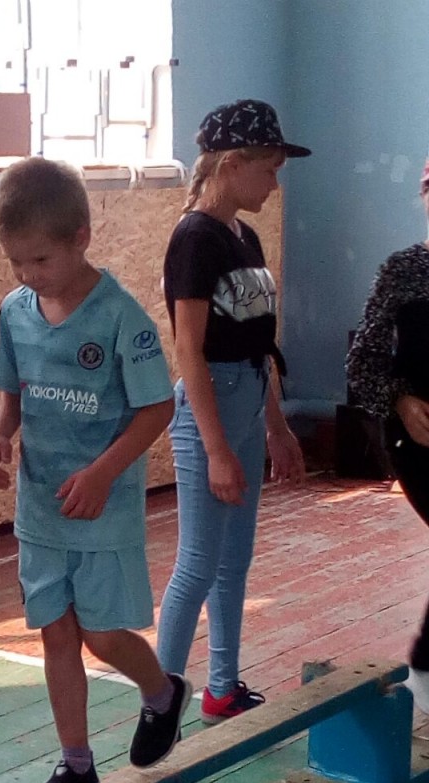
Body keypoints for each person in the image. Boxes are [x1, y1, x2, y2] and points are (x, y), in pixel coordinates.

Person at [0, 156, 189, 783]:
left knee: (102, 635)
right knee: (56, 634)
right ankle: (76, 765)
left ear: (80, 237)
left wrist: (103, 472)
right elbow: (11, 395)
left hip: (102, 511)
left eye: (39, 260)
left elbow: (157, 407)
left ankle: (162, 693)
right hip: (41, 510)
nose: (27, 274)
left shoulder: (121, 317)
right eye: (15, 262)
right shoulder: (15, 312)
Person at [156, 99, 309, 725]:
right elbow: (188, 350)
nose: (274, 183)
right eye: (268, 169)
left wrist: (276, 427)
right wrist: (216, 448)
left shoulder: (244, 236)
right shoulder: (194, 239)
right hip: (210, 407)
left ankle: (222, 687)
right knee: (197, 562)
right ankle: (159, 704)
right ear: (230, 164)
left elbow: (256, 346)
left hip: (247, 397)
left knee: (234, 560)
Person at [346, 159, 429, 713]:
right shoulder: (403, 271)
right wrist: (400, 399)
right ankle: (424, 673)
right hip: (417, 442)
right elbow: (362, 363)